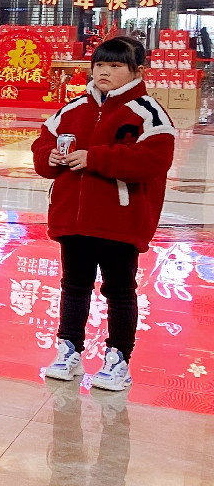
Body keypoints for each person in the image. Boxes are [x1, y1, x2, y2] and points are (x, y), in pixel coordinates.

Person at [34, 36, 173, 392]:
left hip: (119, 220)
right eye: (99, 65)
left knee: (120, 290)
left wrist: (95, 158)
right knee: (74, 286)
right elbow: (43, 142)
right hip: (73, 219)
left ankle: (118, 358)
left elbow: (154, 159)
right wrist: (49, 157)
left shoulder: (147, 111)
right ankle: (69, 349)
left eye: (115, 65)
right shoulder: (73, 108)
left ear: (137, 71)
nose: (104, 72)